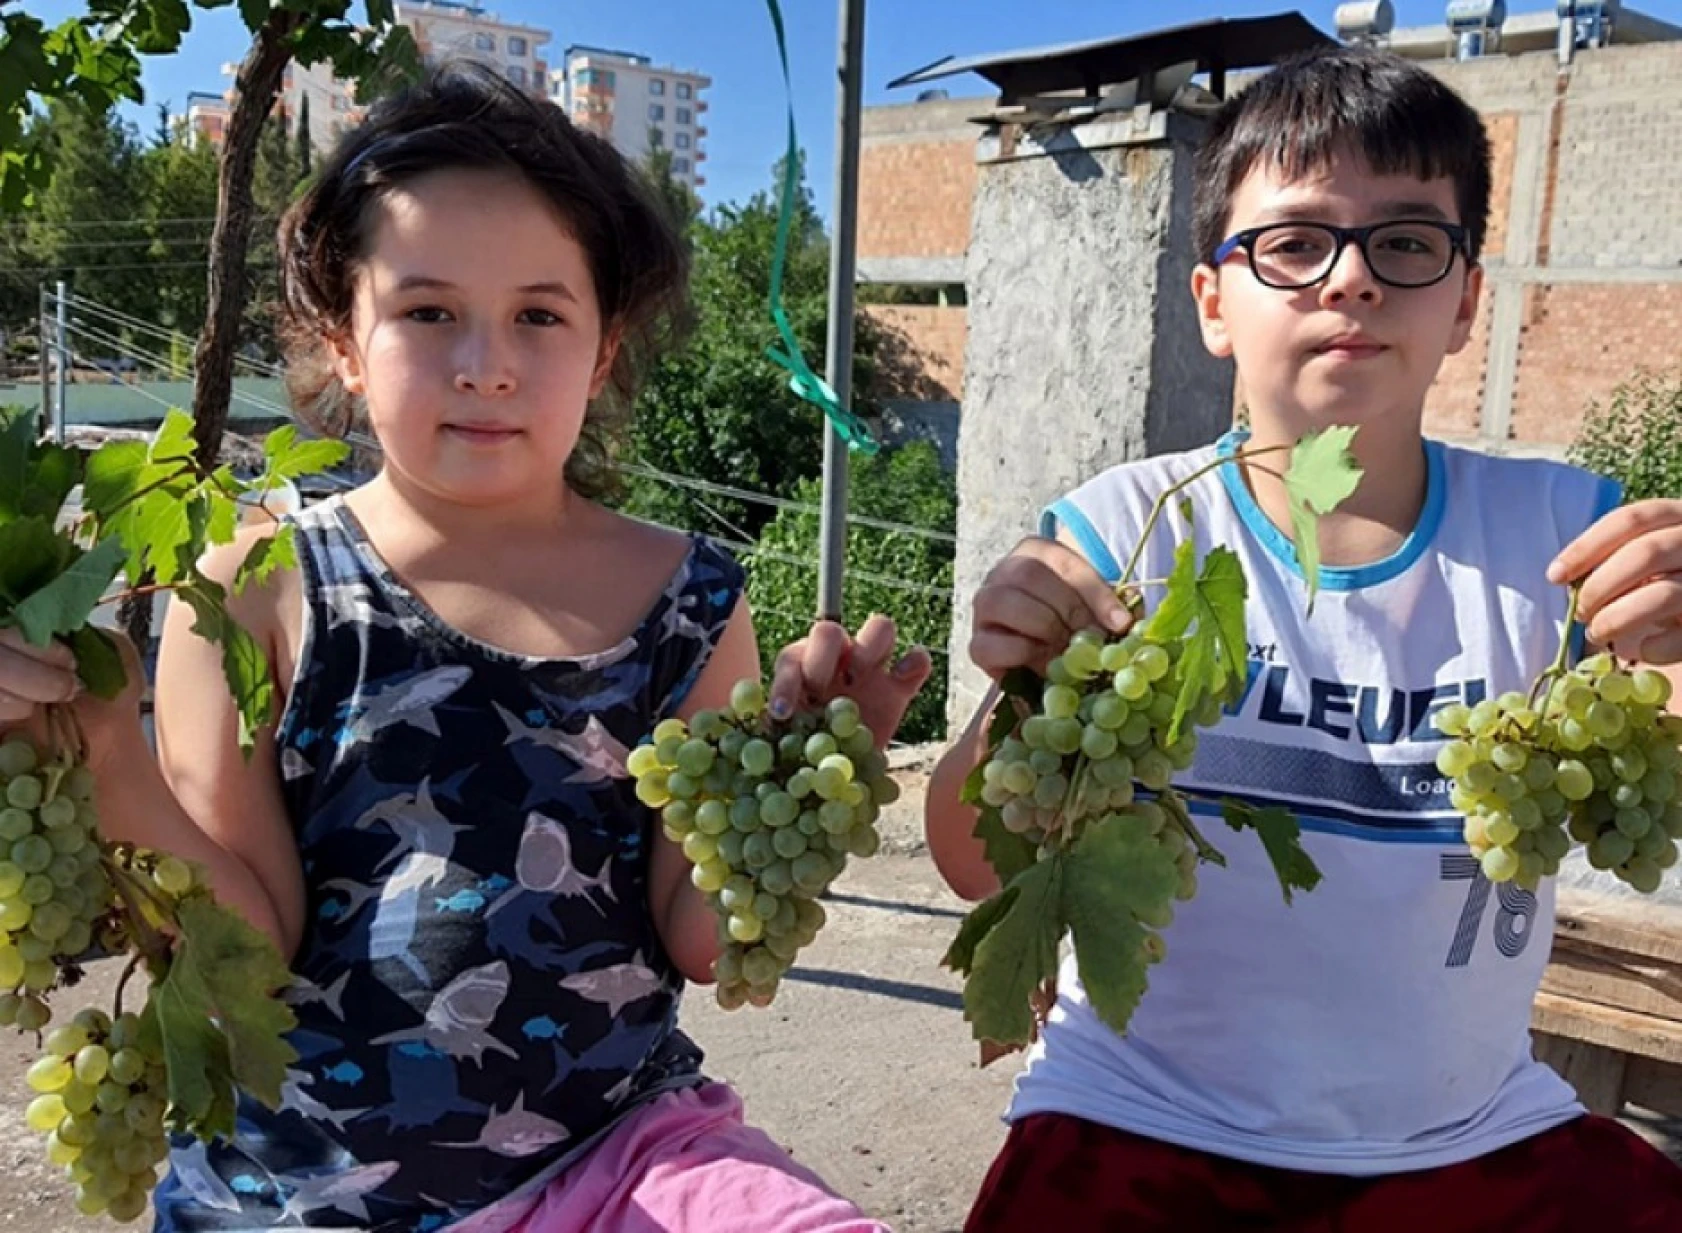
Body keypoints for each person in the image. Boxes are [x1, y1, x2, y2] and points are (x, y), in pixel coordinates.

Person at [0, 62, 929, 1232]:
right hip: (297, 1193)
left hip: (617, 1159)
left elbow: (697, 936)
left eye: (538, 315)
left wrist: (801, 774)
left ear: (602, 352)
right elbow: (256, 947)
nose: (485, 362)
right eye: (428, 311)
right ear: (343, 338)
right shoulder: (258, 583)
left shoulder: (688, 597)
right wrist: (104, 752)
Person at [925, 45, 1682, 1233]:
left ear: (1467, 298)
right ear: (1211, 304)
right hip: (1138, 1120)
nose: (1349, 284)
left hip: (1466, 1136)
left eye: (1404, 243)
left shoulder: (1562, 542)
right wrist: (1022, 693)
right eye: (1291, 244)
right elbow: (976, 866)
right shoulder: (1128, 535)